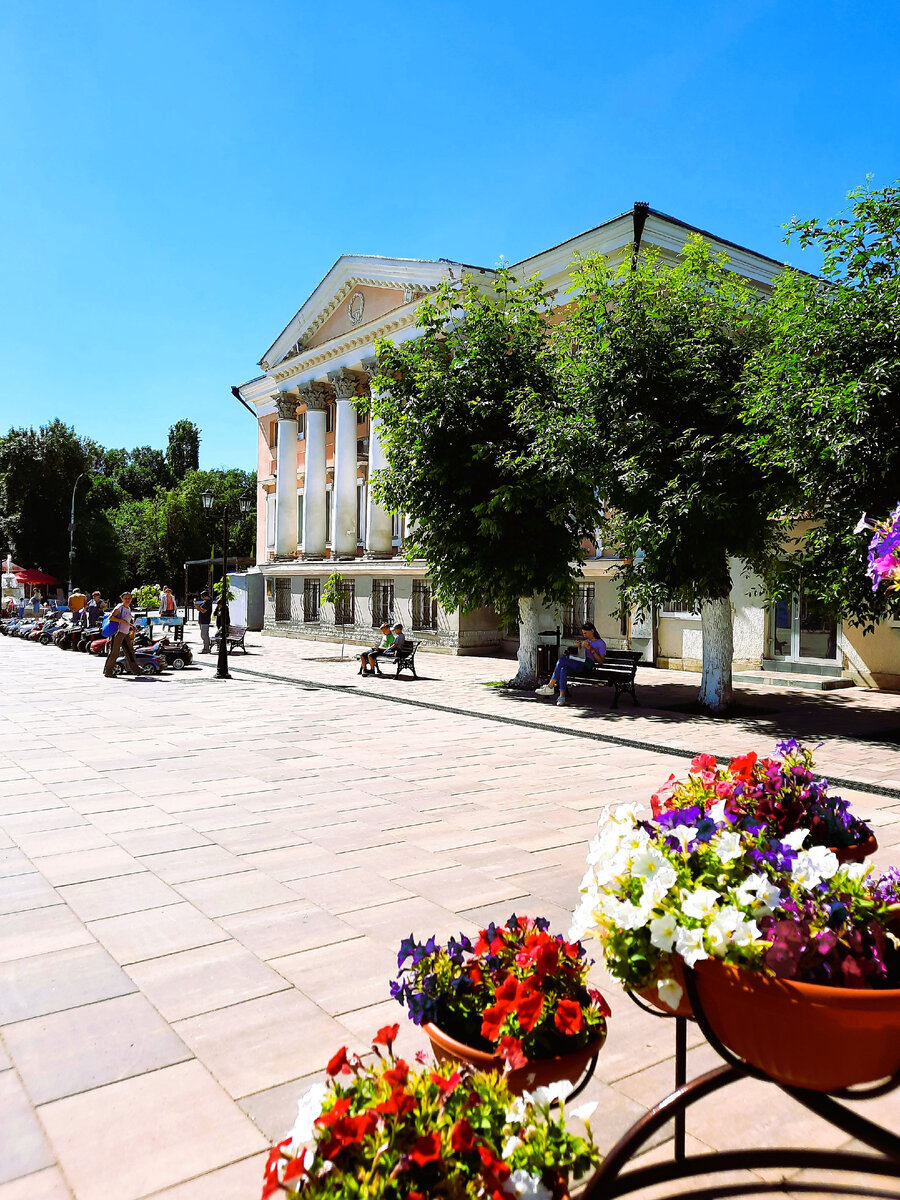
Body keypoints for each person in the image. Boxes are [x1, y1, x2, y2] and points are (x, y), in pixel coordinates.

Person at [535, 622, 606, 707]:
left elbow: (601, 661)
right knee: (563, 669)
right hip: (580, 663)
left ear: (592, 631)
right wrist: (580, 647)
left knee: (562, 660)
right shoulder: (586, 641)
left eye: (585, 633)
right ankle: (561, 697)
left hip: (588, 665)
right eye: (583, 633)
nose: (584, 635)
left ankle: (550, 686)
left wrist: (591, 649)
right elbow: (581, 655)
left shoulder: (600, 643)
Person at [102, 592, 141, 679]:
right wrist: (122, 621)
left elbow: (126, 620)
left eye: (129, 598)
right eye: (125, 598)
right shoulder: (120, 607)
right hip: (118, 633)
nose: (127, 600)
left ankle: (136, 670)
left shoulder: (128, 608)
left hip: (125, 632)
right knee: (114, 653)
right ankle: (108, 671)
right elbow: (111, 618)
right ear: (122, 599)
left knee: (130, 652)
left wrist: (132, 626)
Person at [196, 588, 213, 653]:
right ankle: (205, 647)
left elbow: (203, 611)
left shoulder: (208, 603)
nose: (202, 598)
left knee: (204, 635)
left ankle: (206, 648)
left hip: (205, 620)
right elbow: (199, 609)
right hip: (202, 620)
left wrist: (199, 607)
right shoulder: (204, 602)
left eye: (203, 596)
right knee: (203, 635)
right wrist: (196, 605)